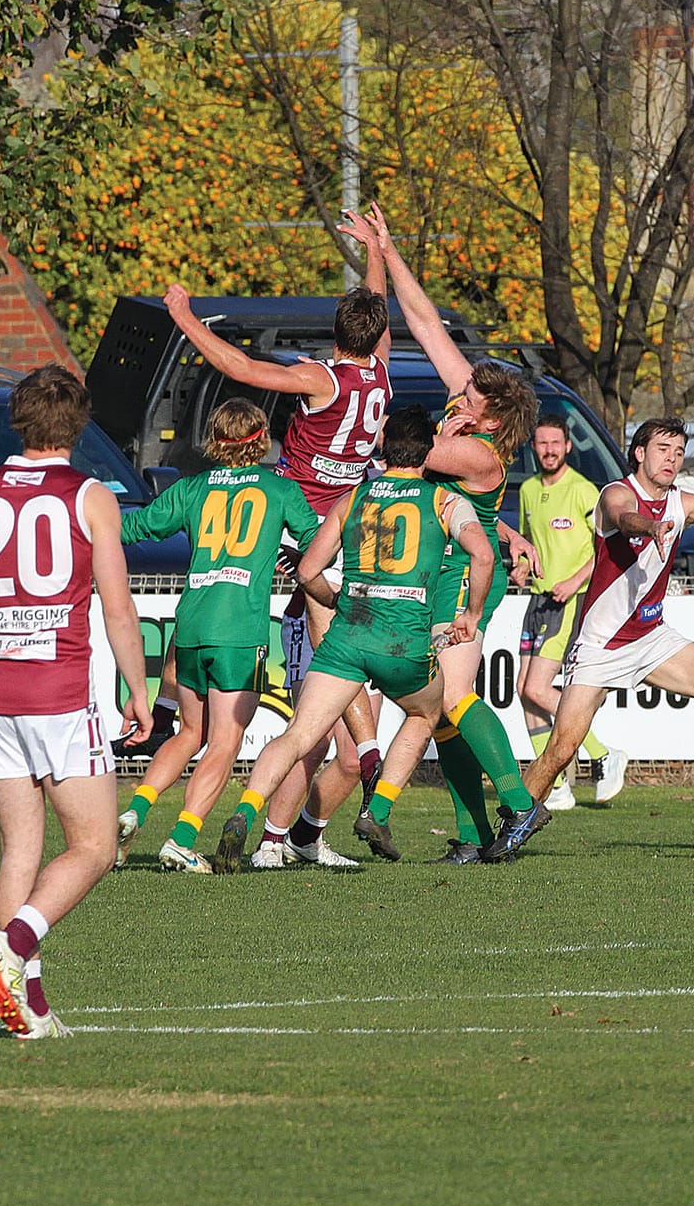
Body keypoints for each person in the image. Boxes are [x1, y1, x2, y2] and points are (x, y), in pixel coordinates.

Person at [0, 366, 153, 1039]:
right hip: (59, 691)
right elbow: (117, 607)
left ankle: (32, 1005)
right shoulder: (90, 496)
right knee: (93, 847)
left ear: (17, 420)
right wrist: (139, 690)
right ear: (80, 425)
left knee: (20, 853)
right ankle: (13, 945)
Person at [493, 418, 694, 860]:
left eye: (679, 452)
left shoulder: (684, 502)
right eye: (663, 449)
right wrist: (645, 528)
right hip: (601, 644)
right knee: (562, 747)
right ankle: (511, 826)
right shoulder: (616, 493)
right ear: (639, 453)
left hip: (651, 638)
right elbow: (622, 516)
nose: (672, 458)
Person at [161, 262, 390, 858]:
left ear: (337, 332)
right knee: (331, 697)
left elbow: (240, 368)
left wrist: (185, 318)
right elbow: (377, 317)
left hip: (304, 531)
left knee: (321, 690)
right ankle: (298, 823)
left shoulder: (324, 378)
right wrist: (377, 254)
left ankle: (300, 820)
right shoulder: (382, 376)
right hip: (352, 536)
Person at [213, 406, 495, 872]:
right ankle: (376, 811)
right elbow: (482, 555)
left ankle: (244, 812)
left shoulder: (353, 498)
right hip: (402, 641)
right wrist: (472, 613)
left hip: (347, 636)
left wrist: (338, 601)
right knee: (427, 712)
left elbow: (307, 571)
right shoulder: (442, 501)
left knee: (299, 735)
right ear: (428, 452)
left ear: (385, 450)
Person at [368, 202, 544, 864]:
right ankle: (473, 835)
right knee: (441, 710)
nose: (460, 394)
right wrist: (386, 250)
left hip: (468, 574)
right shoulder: (469, 415)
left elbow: (409, 458)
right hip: (437, 570)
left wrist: (364, 421)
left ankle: (522, 806)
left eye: (472, 398)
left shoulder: (477, 452)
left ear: (494, 418)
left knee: (456, 696)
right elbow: (422, 321)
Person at [117, 401, 320, 872]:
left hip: (190, 624)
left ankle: (135, 810)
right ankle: (183, 839)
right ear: (260, 437)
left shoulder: (191, 489)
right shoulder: (279, 489)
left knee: (190, 732)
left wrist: (86, 523)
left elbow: (138, 526)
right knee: (225, 743)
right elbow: (316, 537)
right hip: (238, 630)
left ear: (214, 438)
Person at [515, 414, 626, 812]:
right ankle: (556, 784)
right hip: (539, 598)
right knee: (524, 694)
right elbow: (530, 540)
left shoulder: (583, 492)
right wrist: (523, 564)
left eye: (555, 443)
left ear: (567, 447)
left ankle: (601, 753)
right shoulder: (527, 489)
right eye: (541, 443)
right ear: (534, 447)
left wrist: (573, 581)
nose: (548, 450)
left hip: (570, 599)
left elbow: (605, 551)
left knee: (536, 688)